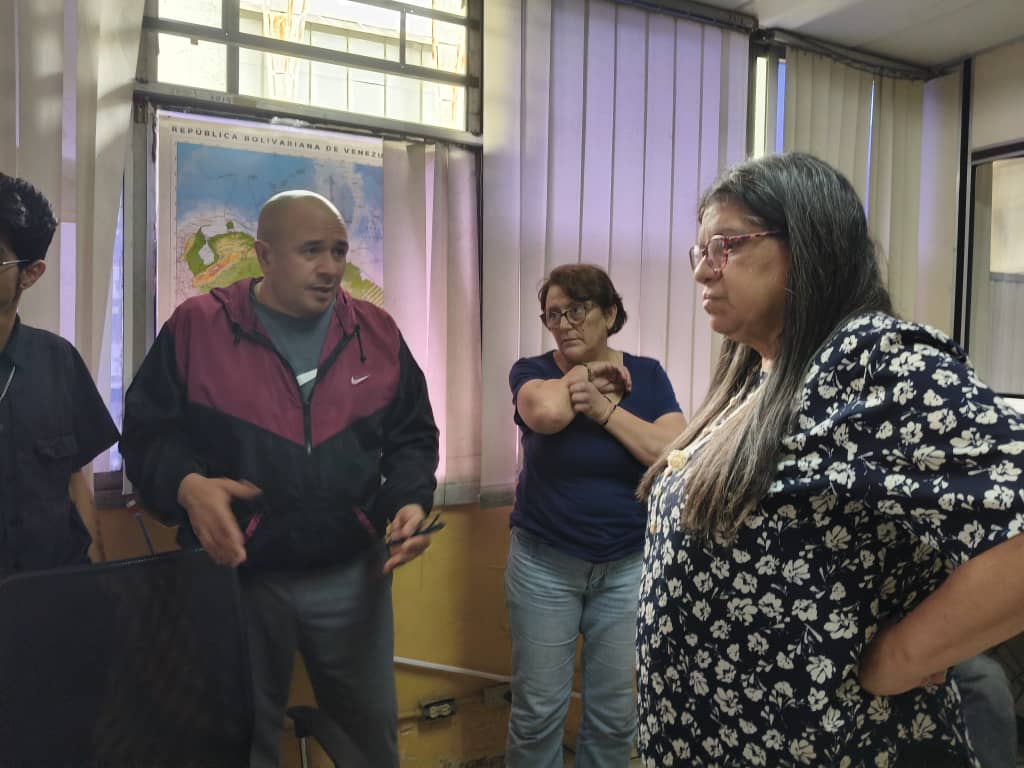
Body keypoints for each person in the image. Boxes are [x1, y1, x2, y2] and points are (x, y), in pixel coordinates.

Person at [635, 152, 1024, 767]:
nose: (704, 270)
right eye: (700, 251)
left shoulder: (870, 362)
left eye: (726, 246)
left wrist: (901, 657)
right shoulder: (758, 372)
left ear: (808, 245)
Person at [120, 190, 439, 768]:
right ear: (264, 255)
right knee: (237, 740)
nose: (331, 267)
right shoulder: (198, 327)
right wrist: (188, 486)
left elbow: (412, 437)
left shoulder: (376, 332)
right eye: (312, 250)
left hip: (353, 576)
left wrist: (410, 501)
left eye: (339, 251)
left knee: (370, 739)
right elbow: (147, 436)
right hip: (235, 576)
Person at [506, 263, 686, 767]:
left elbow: (673, 449)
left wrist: (606, 412)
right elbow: (547, 414)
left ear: (609, 314)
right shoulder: (532, 371)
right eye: (553, 314)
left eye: (577, 310)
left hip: (627, 567)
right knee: (537, 712)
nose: (564, 324)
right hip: (544, 566)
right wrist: (585, 373)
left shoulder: (647, 375)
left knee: (614, 715)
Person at [0, 173, 118, 574]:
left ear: (31, 274)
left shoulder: (58, 361)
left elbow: (75, 482)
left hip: (51, 591)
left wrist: (96, 583)